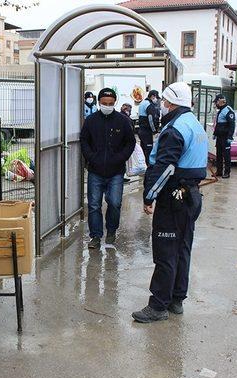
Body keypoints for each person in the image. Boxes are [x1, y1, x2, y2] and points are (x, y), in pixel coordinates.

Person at [132, 82, 207, 323]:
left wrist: (149, 196)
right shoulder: (194, 124)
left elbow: (165, 168)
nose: (161, 106)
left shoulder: (175, 129)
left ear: (172, 103)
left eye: (164, 102)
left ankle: (158, 305)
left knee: (165, 251)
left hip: (174, 196)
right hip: (191, 196)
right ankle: (176, 299)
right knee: (182, 248)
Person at [80, 88, 135, 249]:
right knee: (94, 204)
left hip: (116, 171)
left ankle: (111, 230)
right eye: (104, 103)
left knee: (115, 202)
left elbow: (130, 142)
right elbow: (84, 140)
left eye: (110, 104)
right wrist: (91, 157)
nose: (107, 106)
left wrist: (120, 158)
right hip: (95, 170)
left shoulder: (122, 121)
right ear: (99, 103)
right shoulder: (91, 121)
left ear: (114, 103)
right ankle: (96, 236)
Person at [212, 94, 235, 179]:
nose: (216, 104)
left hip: (225, 137)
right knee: (218, 154)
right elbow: (218, 124)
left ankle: (227, 172)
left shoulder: (228, 110)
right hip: (219, 136)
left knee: (226, 155)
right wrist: (215, 133)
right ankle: (219, 171)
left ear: (220, 101)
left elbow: (232, 124)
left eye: (216, 102)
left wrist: (230, 136)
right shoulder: (221, 110)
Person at [137, 90, 161, 161]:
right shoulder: (149, 105)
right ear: (153, 96)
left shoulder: (142, 103)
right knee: (149, 150)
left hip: (141, 130)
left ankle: (143, 164)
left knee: (143, 149)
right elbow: (150, 119)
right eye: (156, 97)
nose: (157, 100)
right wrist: (154, 130)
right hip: (147, 131)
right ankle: (149, 165)